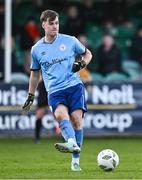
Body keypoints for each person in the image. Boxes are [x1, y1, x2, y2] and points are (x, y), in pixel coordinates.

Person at [22, 9, 92, 171]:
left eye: (57, 23)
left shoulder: (70, 41)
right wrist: (30, 95)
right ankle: (72, 143)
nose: (55, 26)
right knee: (61, 115)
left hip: (74, 87)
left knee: (76, 120)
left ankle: (75, 160)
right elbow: (34, 75)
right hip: (54, 91)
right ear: (44, 25)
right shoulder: (37, 49)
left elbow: (88, 54)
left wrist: (82, 64)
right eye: (51, 23)